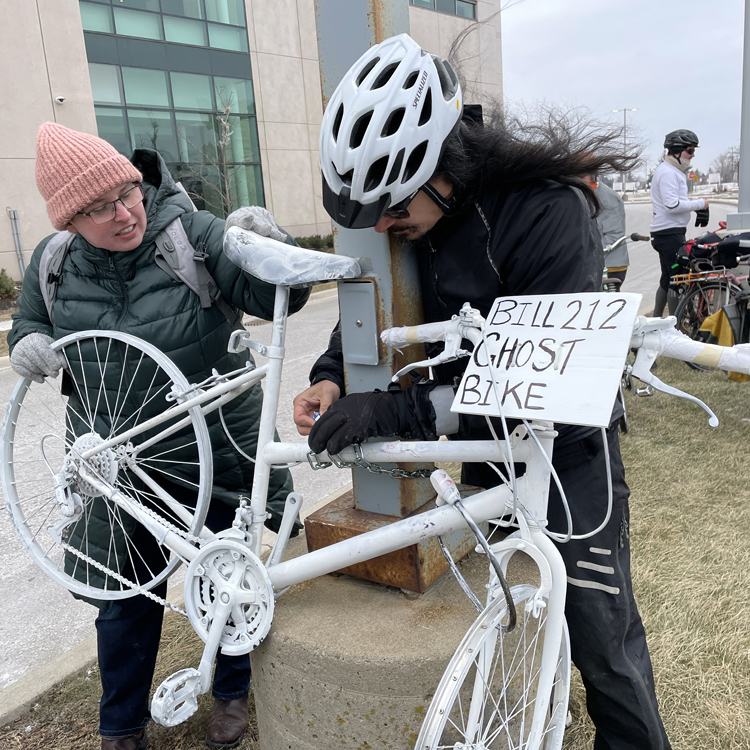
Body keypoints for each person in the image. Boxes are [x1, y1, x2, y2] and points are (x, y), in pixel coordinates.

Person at [293, 34, 670, 750]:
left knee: (600, 635)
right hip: (484, 458)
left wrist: (395, 409)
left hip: (567, 453)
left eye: (391, 208)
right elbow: (379, 307)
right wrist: (333, 372)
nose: (381, 227)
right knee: (513, 612)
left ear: (443, 165)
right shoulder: (412, 210)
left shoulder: (543, 211)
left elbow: (538, 382)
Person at [8, 122, 309, 750]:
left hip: (221, 449)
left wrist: (268, 245)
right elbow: (31, 322)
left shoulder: (194, 236)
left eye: (127, 194)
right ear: (68, 221)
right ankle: (121, 726)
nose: (122, 215)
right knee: (120, 601)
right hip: (116, 468)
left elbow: (281, 292)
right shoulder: (53, 263)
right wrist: (26, 344)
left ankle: (231, 693)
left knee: (232, 580)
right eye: (96, 209)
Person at [650, 129, 709, 316]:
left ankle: (658, 320)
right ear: (676, 151)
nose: (692, 156)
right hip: (669, 233)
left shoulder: (671, 171)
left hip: (668, 232)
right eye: (689, 151)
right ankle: (674, 328)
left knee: (668, 277)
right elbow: (672, 204)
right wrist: (700, 204)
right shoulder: (668, 173)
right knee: (677, 278)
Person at [583, 172, 629, 285]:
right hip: (594, 264)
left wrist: (582, 250)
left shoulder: (607, 198)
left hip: (610, 266)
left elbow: (613, 235)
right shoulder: (586, 194)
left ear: (591, 176)